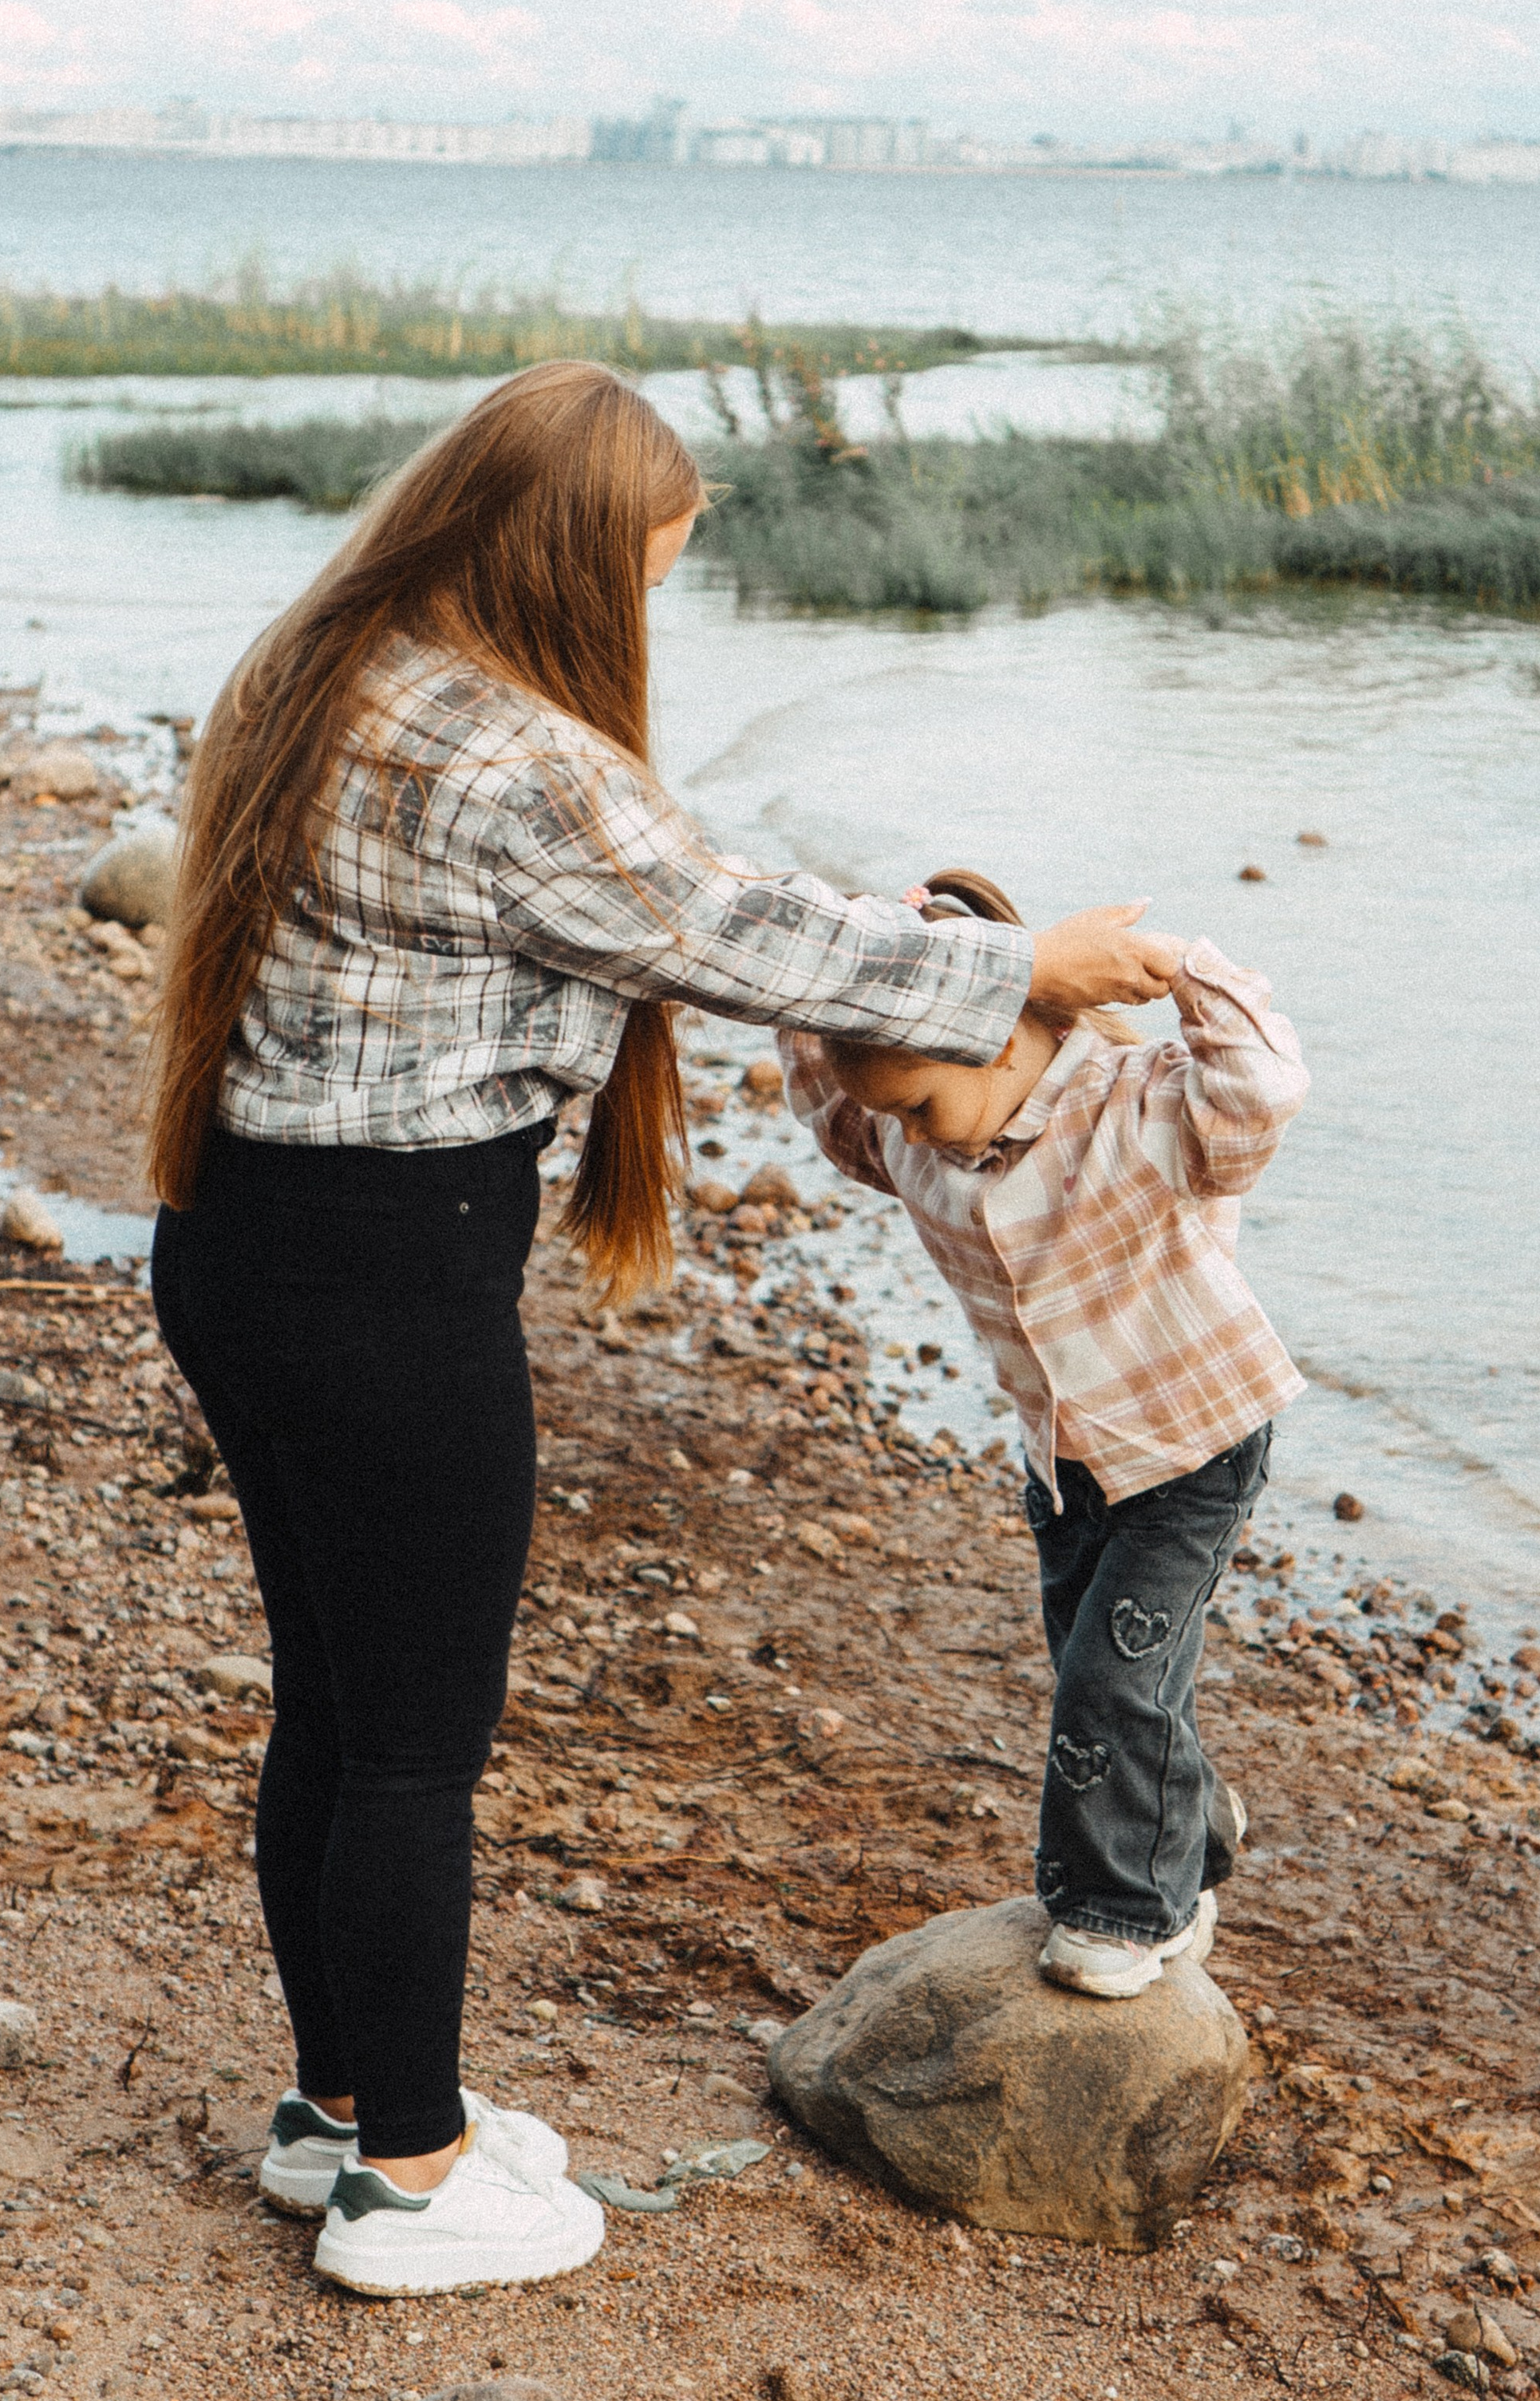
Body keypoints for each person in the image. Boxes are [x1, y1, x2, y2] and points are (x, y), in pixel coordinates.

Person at [144, 365, 1182, 2296]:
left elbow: (682, 901)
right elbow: (727, 933)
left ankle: (343, 2111)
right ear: (562, 555)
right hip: (385, 1278)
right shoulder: (511, 759)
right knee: (410, 1753)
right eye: (645, 570)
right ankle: (416, 2186)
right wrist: (1022, 964)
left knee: (338, 1700)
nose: (645, 609)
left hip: (238, 1239)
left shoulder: (329, 661)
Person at [782, 868, 1309, 1997]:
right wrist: (838, 959)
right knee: (1104, 1665)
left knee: (1107, 1686)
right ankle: (1194, 1830)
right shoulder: (910, 1138)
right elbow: (829, 1111)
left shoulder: (1140, 1102)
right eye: (888, 1113)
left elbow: (1264, 1089)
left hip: (1192, 1442)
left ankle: (1133, 1911)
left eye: (917, 1103)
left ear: (1004, 1035)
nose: (901, 1135)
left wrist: (1185, 971)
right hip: (1066, 1456)